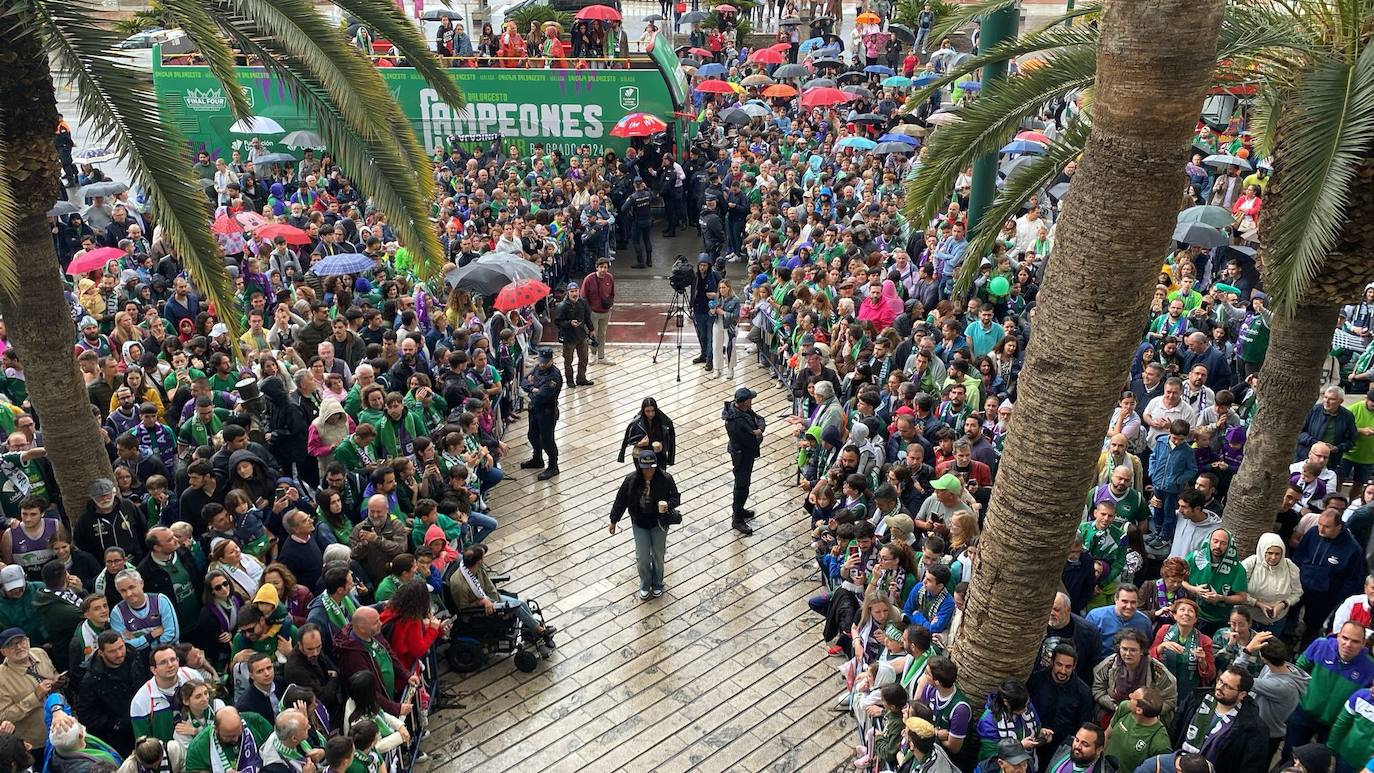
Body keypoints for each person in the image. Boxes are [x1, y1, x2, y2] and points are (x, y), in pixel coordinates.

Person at [609, 450, 681, 600]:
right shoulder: (631, 480)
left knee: (658, 555)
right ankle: (645, 584)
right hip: (639, 523)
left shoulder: (665, 479)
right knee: (642, 557)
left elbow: (675, 498)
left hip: (659, 522)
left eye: (651, 468)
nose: (648, 471)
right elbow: (621, 500)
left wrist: (667, 505)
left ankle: (657, 583)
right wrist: (614, 520)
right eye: (645, 468)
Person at [1168, 666, 1267, 771]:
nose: (1220, 687)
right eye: (1220, 681)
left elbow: (1251, 766)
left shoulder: (1252, 728)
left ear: (1242, 694)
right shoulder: (1196, 699)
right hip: (1178, 765)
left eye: (1228, 687)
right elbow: (1175, 728)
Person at [0, 627, 57, 749]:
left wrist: (58, 680)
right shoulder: (1, 677)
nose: (19, 647)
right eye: (11, 645)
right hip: (37, 743)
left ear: (28, 641)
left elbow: (53, 673)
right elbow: (4, 716)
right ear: (3, 652)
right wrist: (35, 697)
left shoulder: (40, 653)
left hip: (62, 728)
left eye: (21, 641)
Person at [722, 387, 763, 536]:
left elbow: (760, 419)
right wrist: (758, 434)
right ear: (744, 402)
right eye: (750, 399)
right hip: (742, 455)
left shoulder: (744, 411)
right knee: (742, 485)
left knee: (744, 484)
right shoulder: (736, 422)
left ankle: (740, 509)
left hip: (746, 453)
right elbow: (752, 440)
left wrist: (759, 429)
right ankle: (737, 517)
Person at [1104, 686, 1171, 772]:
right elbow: (1108, 734)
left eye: (1133, 698)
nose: (1130, 695)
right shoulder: (1124, 708)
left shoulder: (1160, 743)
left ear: (1139, 710)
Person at [519, 348, 562, 481]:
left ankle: (553, 466)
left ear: (551, 360)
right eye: (541, 361)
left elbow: (542, 396)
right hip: (534, 410)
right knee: (532, 435)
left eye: (545, 362)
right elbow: (524, 381)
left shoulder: (554, 376)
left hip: (547, 412)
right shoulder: (538, 368)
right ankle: (537, 459)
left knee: (547, 440)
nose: (542, 364)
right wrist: (533, 388)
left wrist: (531, 389)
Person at [553, 281, 593, 388]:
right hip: (568, 337)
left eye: (576, 291)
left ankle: (581, 378)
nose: (574, 293)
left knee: (584, 358)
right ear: (568, 292)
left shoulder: (583, 303)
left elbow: (587, 317)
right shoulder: (562, 306)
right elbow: (557, 322)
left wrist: (591, 329)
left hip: (581, 336)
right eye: (572, 291)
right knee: (568, 361)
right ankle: (570, 381)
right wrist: (569, 323)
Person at [617, 397, 676, 468]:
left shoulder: (664, 422)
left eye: (653, 410)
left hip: (659, 456)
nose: (651, 414)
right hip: (643, 456)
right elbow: (629, 439)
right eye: (647, 411)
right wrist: (640, 444)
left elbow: (671, 440)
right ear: (643, 410)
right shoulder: (637, 423)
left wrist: (662, 446)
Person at [581, 257, 615, 364]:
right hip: (593, 312)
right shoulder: (589, 279)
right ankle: (593, 354)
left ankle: (601, 356)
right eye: (601, 267)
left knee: (602, 334)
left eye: (605, 267)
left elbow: (612, 293)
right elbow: (583, 296)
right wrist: (588, 311)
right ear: (597, 267)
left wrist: (610, 304)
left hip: (606, 312)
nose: (603, 269)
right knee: (593, 334)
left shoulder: (610, 278)